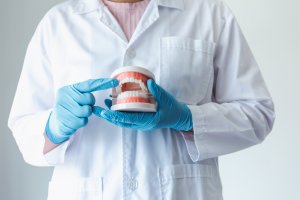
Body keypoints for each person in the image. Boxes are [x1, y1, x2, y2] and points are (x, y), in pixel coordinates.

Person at [8, 0, 275, 199]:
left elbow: (258, 114)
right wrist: (53, 127)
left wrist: (187, 118)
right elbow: (22, 128)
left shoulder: (209, 14)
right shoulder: (58, 23)